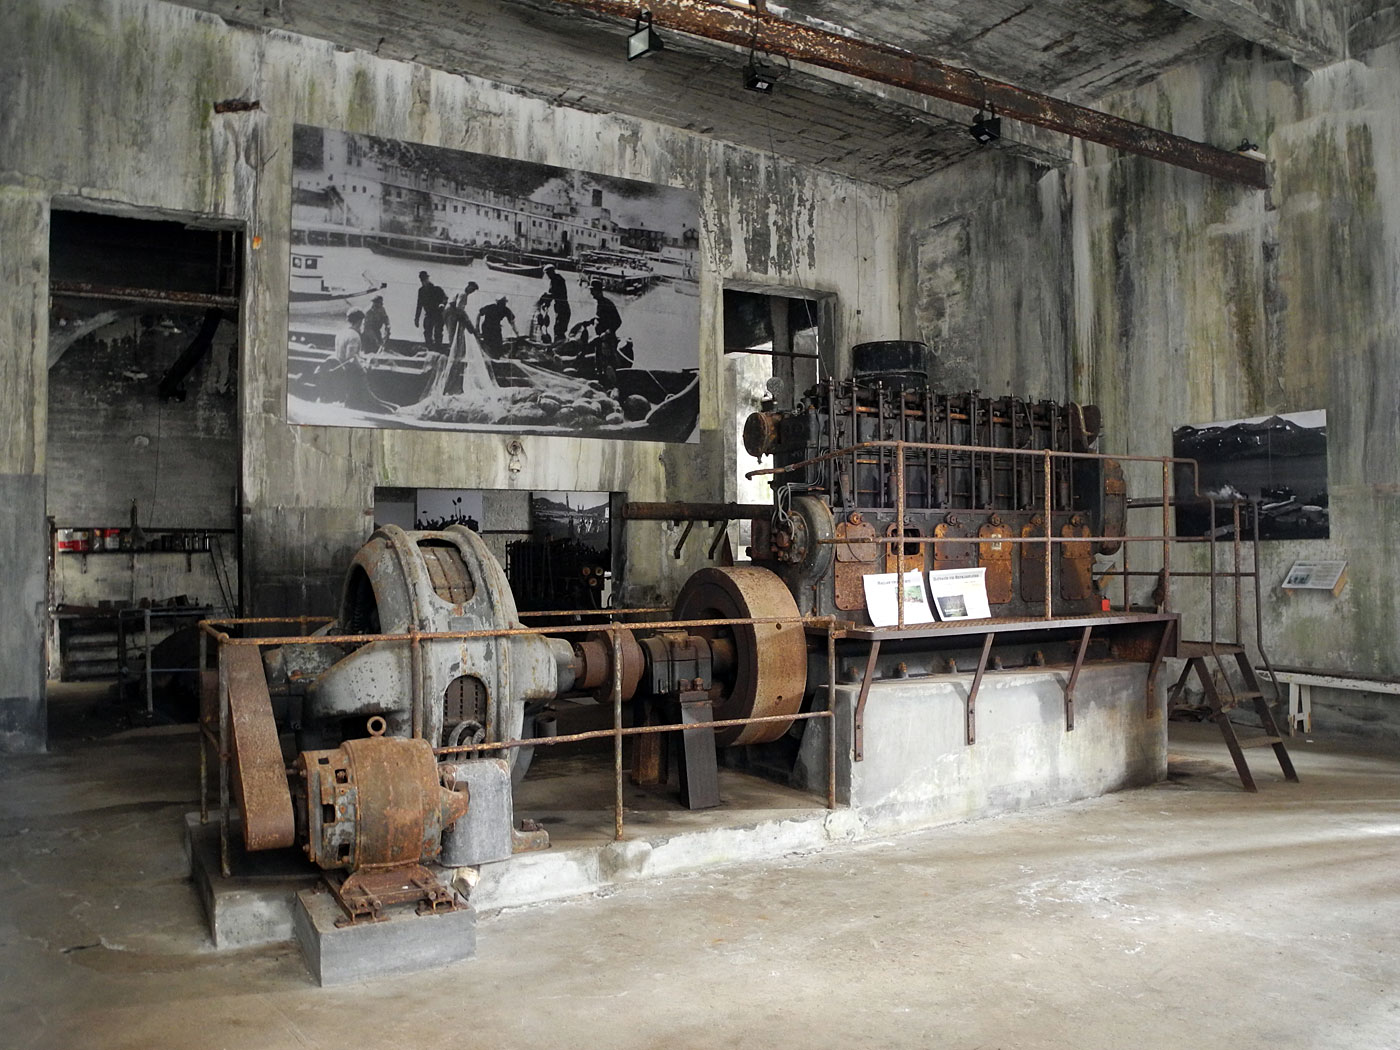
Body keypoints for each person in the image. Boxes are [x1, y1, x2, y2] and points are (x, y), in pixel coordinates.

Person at [326, 309, 392, 412]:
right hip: (351, 372)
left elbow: (347, 355)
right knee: (367, 380)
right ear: (359, 322)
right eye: (362, 322)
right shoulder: (354, 336)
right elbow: (351, 358)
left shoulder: (341, 333)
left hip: (340, 369)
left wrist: (364, 358)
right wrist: (363, 368)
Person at [414, 270, 448, 349]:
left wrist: (442, 304)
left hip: (438, 314)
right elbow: (419, 305)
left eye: (425, 279)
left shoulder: (436, 289)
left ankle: (438, 348)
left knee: (438, 332)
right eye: (422, 280)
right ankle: (429, 347)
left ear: (428, 279)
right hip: (429, 314)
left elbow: (445, 298)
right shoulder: (421, 291)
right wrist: (417, 318)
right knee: (427, 332)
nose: (424, 281)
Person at [542, 264, 570, 343]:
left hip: (563, 308)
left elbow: (553, 294)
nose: (547, 275)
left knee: (559, 330)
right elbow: (551, 294)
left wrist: (546, 301)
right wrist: (547, 304)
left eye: (548, 273)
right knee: (558, 329)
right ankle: (559, 345)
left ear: (551, 272)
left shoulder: (557, 280)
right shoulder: (555, 279)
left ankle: (559, 347)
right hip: (560, 308)